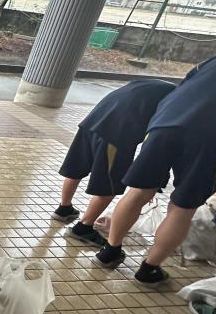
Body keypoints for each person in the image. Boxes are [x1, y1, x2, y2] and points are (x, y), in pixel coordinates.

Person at [96, 54, 216, 285]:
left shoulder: (215, 59)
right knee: (184, 207)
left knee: (139, 191)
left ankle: (110, 251)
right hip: (212, 137)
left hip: (165, 120)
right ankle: (149, 269)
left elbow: (187, 83)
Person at [53, 79, 175, 247]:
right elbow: (158, 141)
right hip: (117, 133)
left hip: (92, 121)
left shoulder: (160, 85)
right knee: (109, 186)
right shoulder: (178, 101)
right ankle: (83, 227)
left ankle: (64, 208)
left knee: (76, 168)